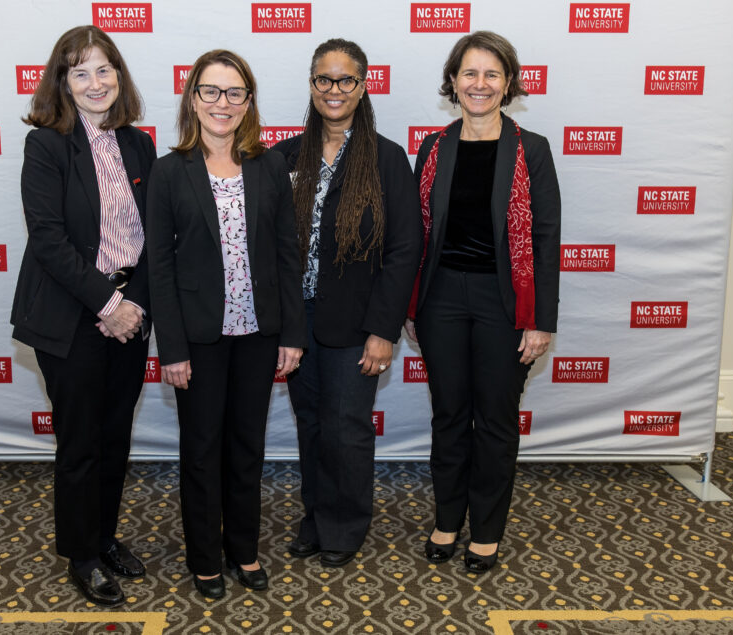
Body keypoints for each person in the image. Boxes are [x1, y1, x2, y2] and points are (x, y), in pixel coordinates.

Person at [146, 49, 306, 599]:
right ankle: (204, 558)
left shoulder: (268, 167)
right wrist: (171, 348)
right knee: (202, 450)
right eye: (211, 91)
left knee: (247, 448)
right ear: (194, 99)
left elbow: (289, 255)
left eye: (235, 92)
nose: (223, 103)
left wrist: (291, 333)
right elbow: (160, 269)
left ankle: (243, 550)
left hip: (259, 335)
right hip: (198, 339)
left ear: (248, 102)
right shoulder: (169, 172)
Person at [10, 25, 155, 605]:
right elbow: (48, 240)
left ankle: (105, 535)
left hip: (129, 314)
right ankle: (82, 554)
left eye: (103, 69)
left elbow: (153, 236)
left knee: (116, 436)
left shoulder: (139, 145)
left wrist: (134, 304)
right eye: (80, 72)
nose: (94, 83)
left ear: (118, 75)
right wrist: (108, 304)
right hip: (72, 316)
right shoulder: (46, 145)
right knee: (80, 442)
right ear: (62, 83)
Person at [406, 30, 561, 573]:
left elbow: (545, 237)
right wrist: (410, 306)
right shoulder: (433, 146)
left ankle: (487, 529)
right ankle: (447, 519)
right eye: (469, 73)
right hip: (442, 298)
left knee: (495, 419)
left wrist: (541, 320)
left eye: (491, 74)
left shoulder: (531, 149)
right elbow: (415, 236)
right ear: (453, 81)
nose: (480, 84)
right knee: (449, 415)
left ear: (509, 83)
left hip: (505, 302)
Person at [272, 38, 421, 568]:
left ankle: (345, 525)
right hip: (296, 320)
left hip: (356, 322)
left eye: (345, 80)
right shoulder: (284, 156)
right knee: (310, 422)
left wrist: (383, 329)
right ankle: (315, 516)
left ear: (363, 86)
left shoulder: (385, 157)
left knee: (346, 426)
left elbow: (405, 249)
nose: (333, 90)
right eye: (323, 80)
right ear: (311, 85)